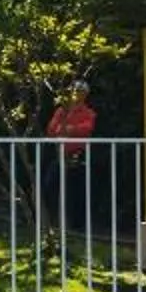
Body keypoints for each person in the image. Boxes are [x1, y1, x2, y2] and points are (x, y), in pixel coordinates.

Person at [44, 79, 98, 223]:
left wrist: (70, 129)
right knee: (50, 184)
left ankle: (76, 223)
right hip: (58, 154)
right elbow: (51, 130)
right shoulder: (61, 111)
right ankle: (52, 218)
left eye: (80, 92)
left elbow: (87, 128)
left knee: (76, 189)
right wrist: (65, 129)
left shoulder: (88, 113)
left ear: (85, 95)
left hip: (77, 154)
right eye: (74, 91)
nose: (77, 95)